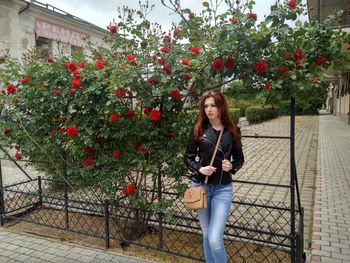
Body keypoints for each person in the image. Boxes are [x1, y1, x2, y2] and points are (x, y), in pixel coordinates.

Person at [184, 90, 244, 263]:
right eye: (206, 106)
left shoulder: (232, 131)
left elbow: (240, 158)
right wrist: (200, 168)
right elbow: (188, 158)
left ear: (221, 107)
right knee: (206, 235)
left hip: (222, 189)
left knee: (215, 239)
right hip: (201, 188)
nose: (209, 109)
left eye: (213, 105)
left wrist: (232, 165)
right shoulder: (198, 130)